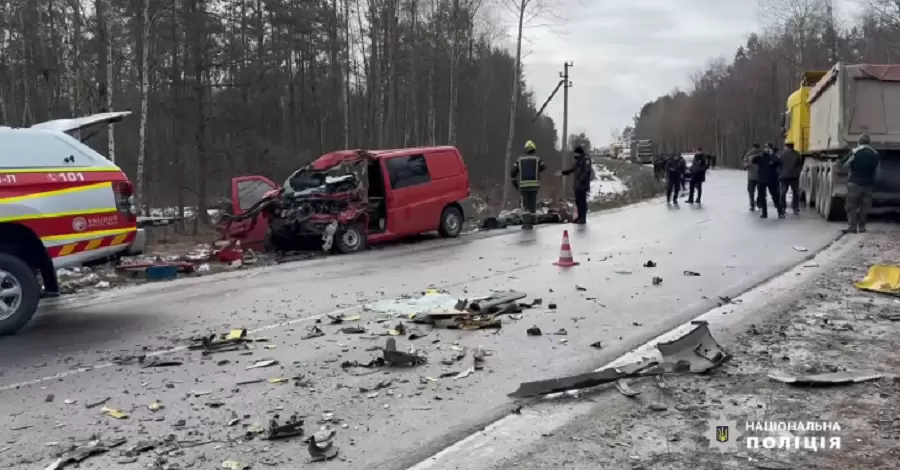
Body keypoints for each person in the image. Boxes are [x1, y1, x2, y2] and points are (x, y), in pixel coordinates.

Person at [841, 134, 881, 233]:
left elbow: (844, 164)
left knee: (851, 206)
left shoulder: (855, 152)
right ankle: (862, 227)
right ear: (869, 143)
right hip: (868, 185)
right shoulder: (875, 153)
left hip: (854, 183)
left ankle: (852, 227)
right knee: (865, 206)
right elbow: (878, 170)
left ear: (858, 142)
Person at [510, 140, 547, 229]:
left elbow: (513, 172)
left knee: (525, 204)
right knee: (532, 203)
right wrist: (536, 170)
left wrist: (514, 182)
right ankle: (533, 220)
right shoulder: (537, 159)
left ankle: (527, 222)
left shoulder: (519, 159)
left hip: (523, 186)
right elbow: (543, 167)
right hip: (534, 186)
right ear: (533, 149)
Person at [559, 145, 593, 224]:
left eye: (575, 154)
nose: (574, 155)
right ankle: (578, 217)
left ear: (579, 153)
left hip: (582, 185)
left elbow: (587, 171)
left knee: (582, 202)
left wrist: (581, 180)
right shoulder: (578, 161)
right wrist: (563, 172)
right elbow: (572, 169)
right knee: (578, 202)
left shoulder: (586, 159)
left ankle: (583, 218)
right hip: (577, 185)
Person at [752, 142, 784, 219]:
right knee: (762, 197)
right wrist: (761, 154)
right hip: (762, 180)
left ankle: (780, 212)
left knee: (775, 196)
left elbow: (778, 162)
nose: (767, 149)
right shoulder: (761, 157)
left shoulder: (774, 157)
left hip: (772, 180)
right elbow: (753, 160)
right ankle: (764, 213)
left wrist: (772, 155)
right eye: (766, 148)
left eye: (768, 148)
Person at [778, 142, 803, 215]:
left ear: (786, 146)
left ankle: (783, 207)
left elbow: (779, 165)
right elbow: (799, 165)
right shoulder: (797, 154)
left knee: (783, 193)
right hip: (794, 177)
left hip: (784, 177)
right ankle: (795, 208)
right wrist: (797, 173)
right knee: (795, 192)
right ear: (793, 146)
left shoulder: (782, 155)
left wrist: (780, 173)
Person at [743, 144, 762, 211]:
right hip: (751, 176)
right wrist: (748, 164)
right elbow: (744, 164)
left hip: (760, 176)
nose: (754, 150)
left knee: (760, 191)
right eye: (754, 148)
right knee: (751, 191)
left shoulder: (761, 155)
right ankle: (752, 205)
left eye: (756, 148)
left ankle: (759, 204)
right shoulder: (748, 155)